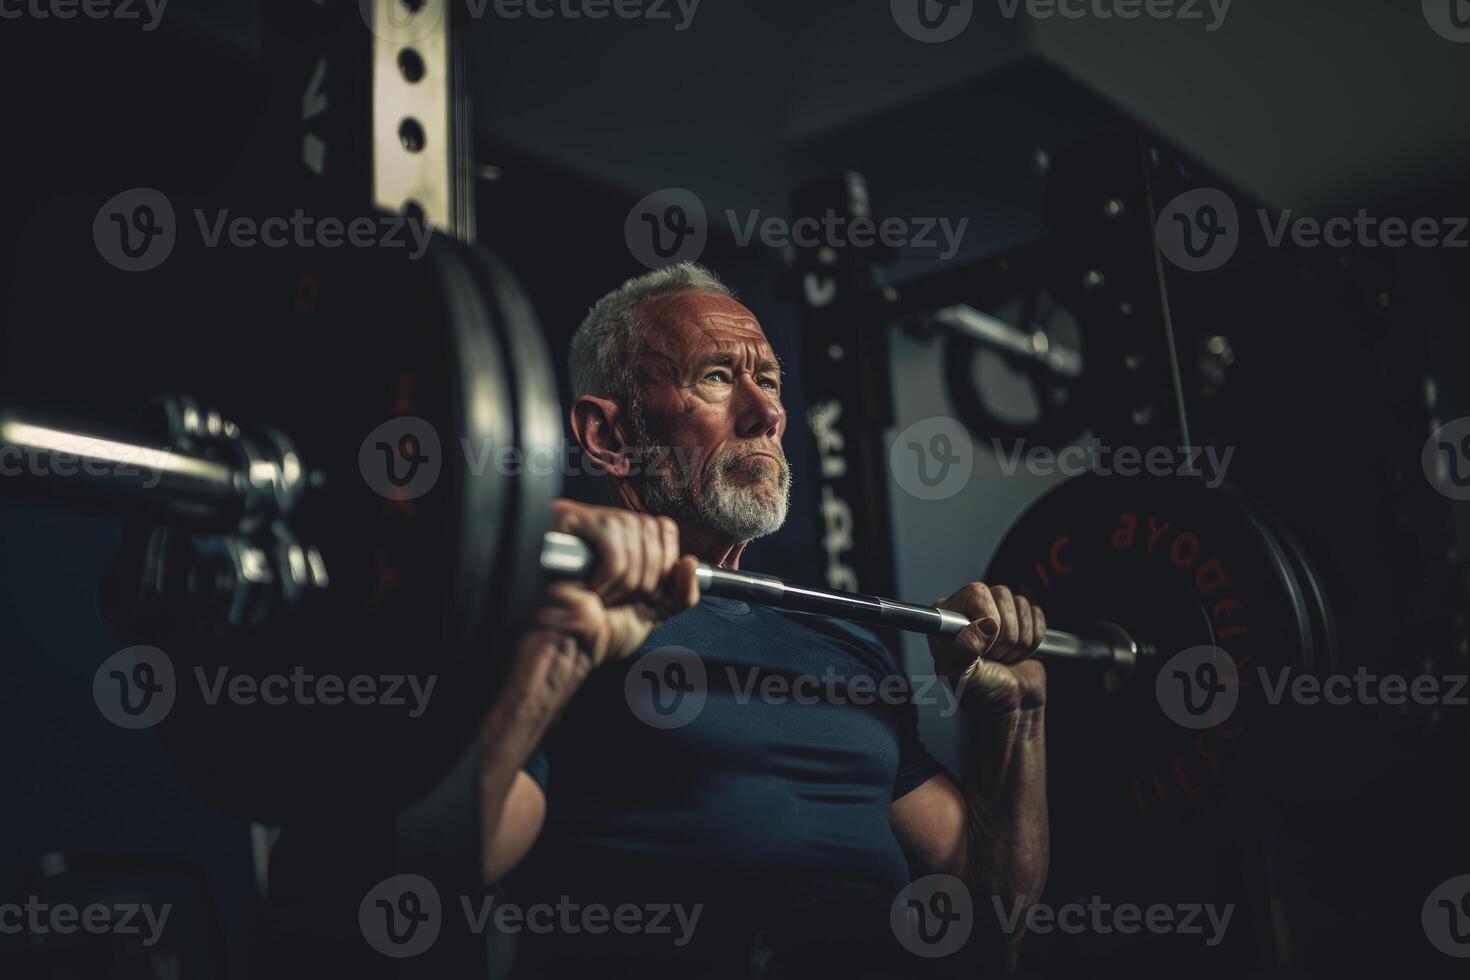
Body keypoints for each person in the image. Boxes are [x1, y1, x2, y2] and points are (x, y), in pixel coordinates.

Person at [476, 263, 1049, 978]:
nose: (767, 413)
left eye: (770, 382)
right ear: (610, 434)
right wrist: (555, 651)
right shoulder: (557, 618)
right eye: (717, 376)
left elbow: (986, 931)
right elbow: (454, 860)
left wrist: (1017, 717)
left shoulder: (849, 644)